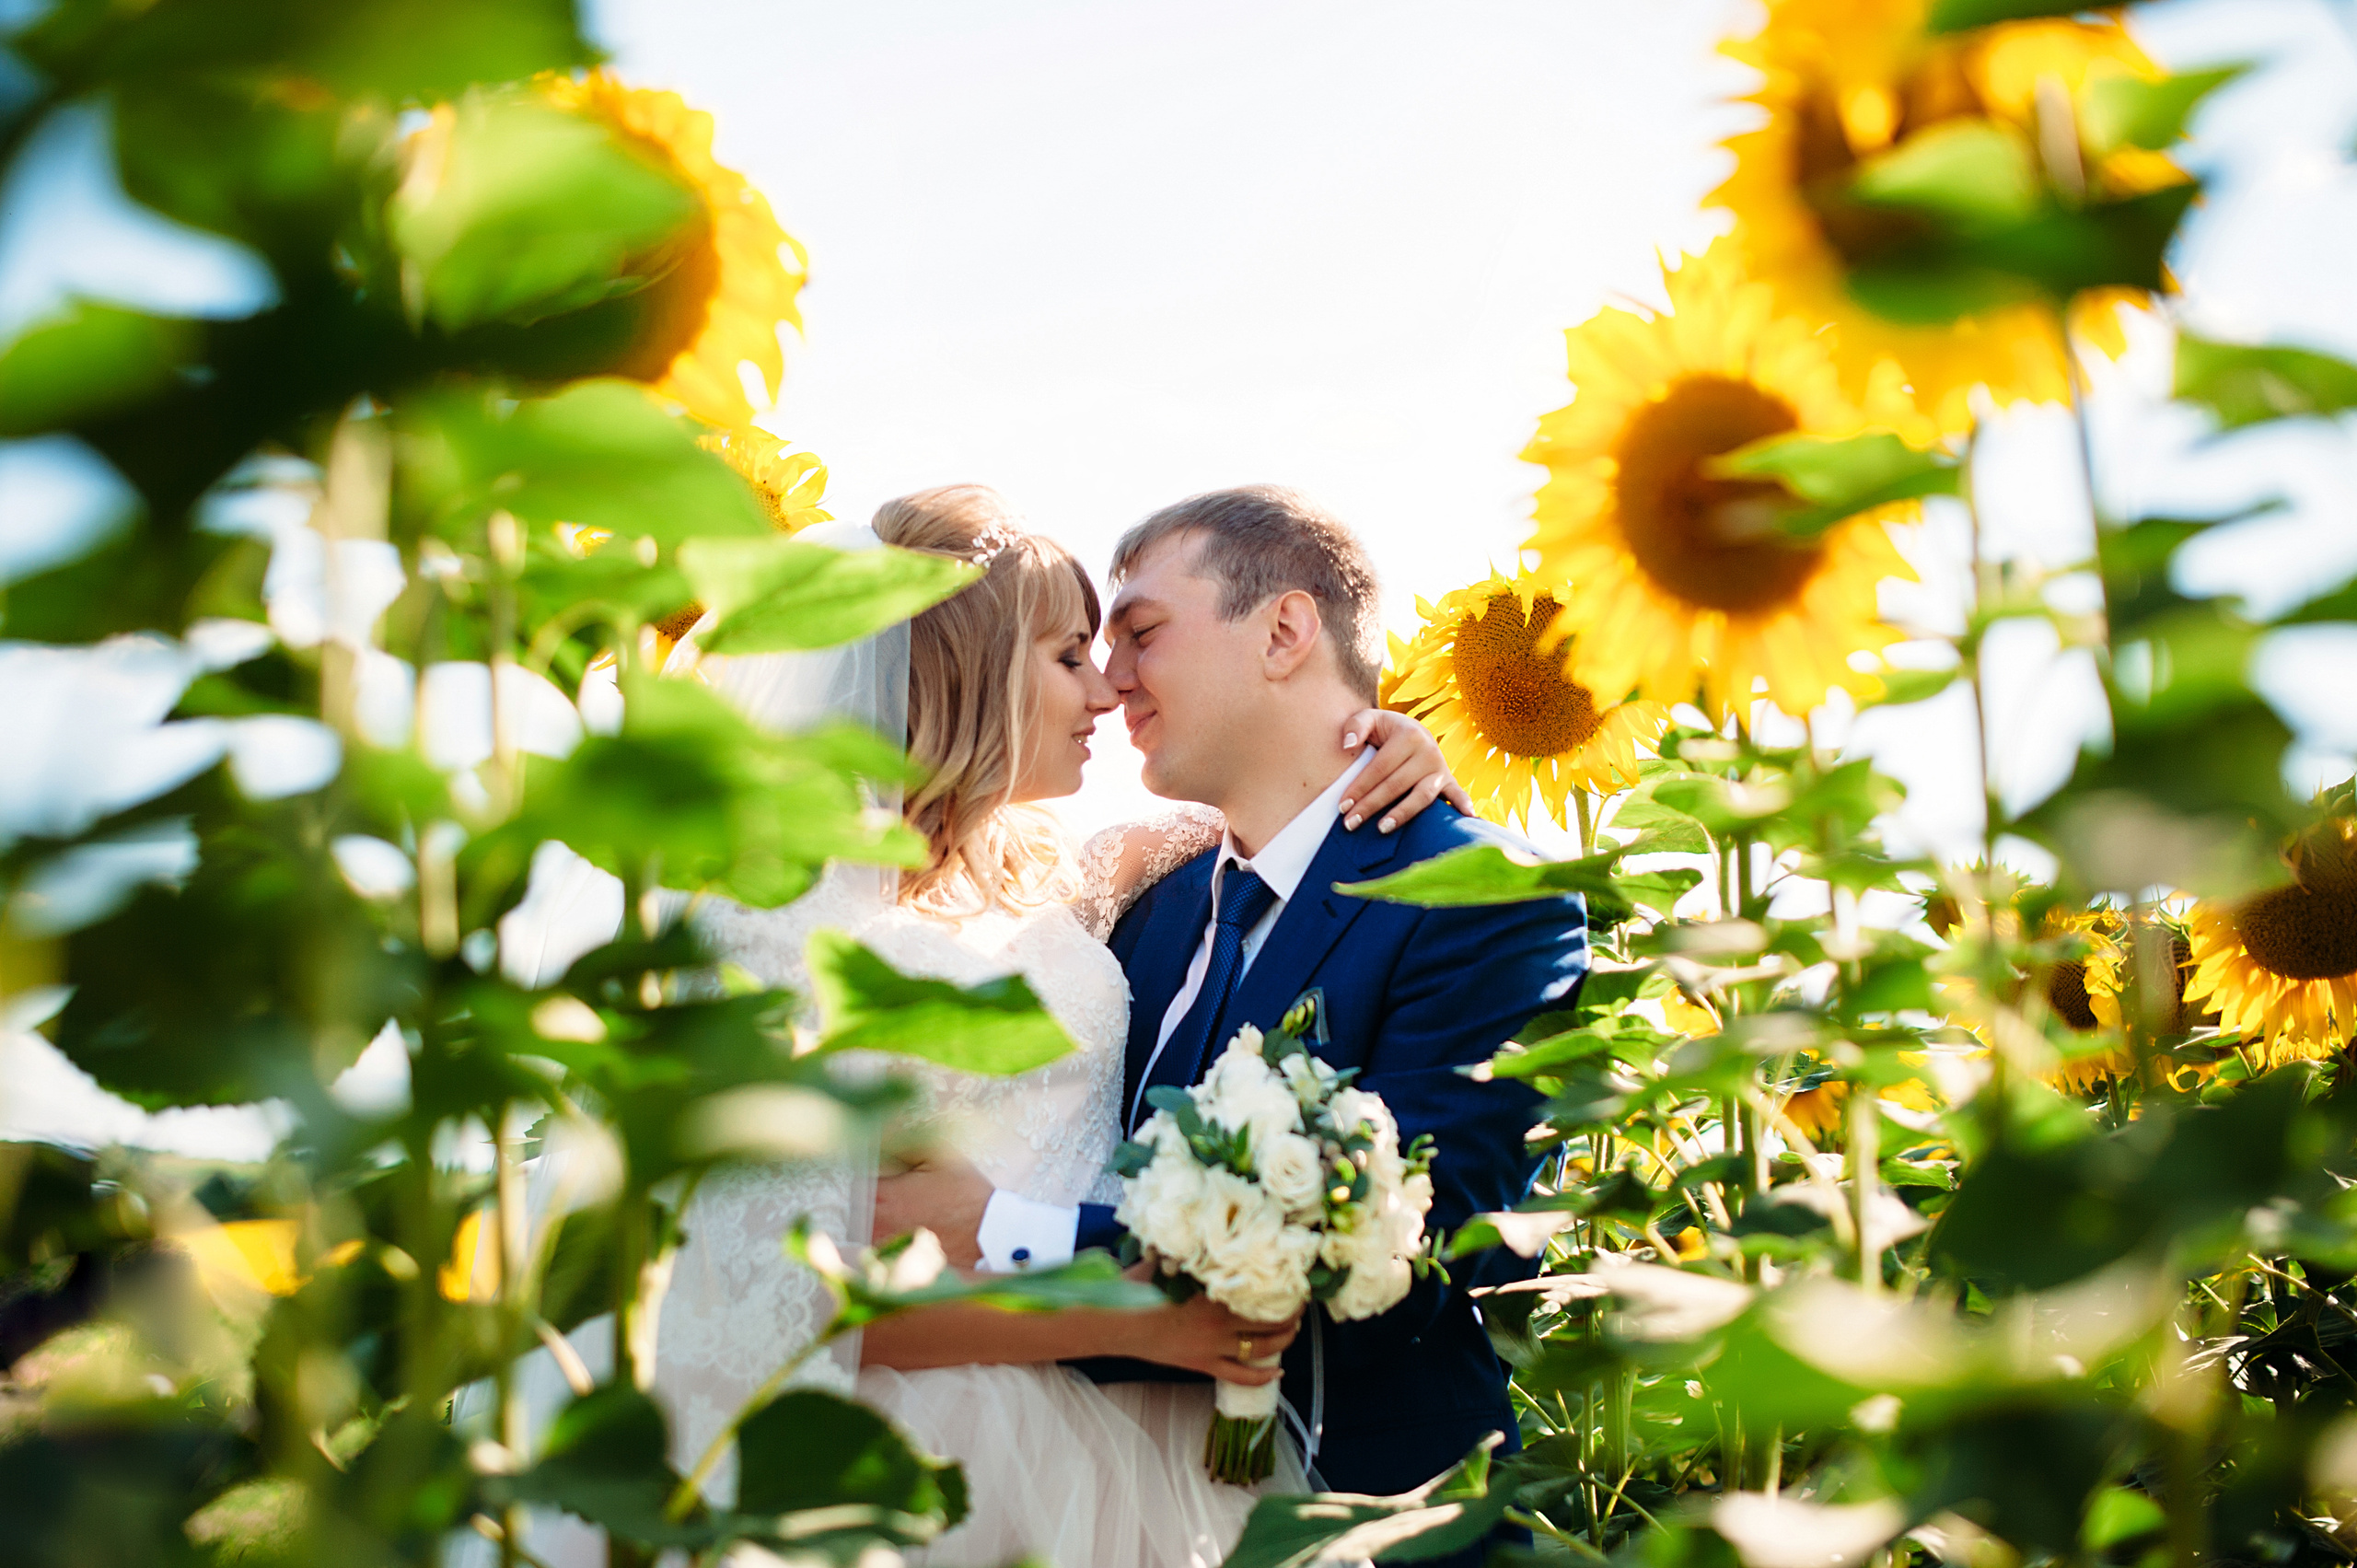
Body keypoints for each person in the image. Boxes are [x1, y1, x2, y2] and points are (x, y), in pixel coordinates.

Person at [626, 483, 1476, 1568]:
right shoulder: (772, 914)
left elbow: (1278, 796)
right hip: (929, 1443)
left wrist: (1384, 743)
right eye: (1069, 654)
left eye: (1118, 647)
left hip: (1135, 1443)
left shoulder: (1064, 879)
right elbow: (768, 1296)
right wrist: (1129, 1318)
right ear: (963, 663)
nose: (1107, 687)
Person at [876, 485, 1588, 1568]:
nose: (1113, 682)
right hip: (1065, 1493)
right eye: (1087, 651)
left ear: (1286, 631)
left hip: (1375, 1521)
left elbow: (1426, 1241)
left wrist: (1008, 1229)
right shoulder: (1131, 909)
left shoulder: (1480, 894)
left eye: (1142, 634)